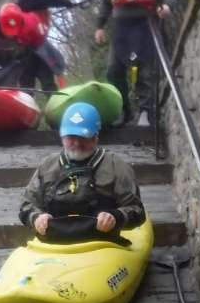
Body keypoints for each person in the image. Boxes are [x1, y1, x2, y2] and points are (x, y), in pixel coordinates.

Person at [18, 102, 145, 237]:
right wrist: (36, 218)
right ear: (62, 137)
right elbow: (27, 205)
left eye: (83, 137)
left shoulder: (116, 166)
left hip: (101, 241)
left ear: (96, 137)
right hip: (55, 240)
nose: (77, 143)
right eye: (71, 137)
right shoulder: (47, 165)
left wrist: (115, 217)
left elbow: (137, 210)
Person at [94, 0, 180, 128]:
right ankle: (123, 110)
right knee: (113, 70)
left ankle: (145, 112)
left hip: (146, 27)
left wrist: (166, 7)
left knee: (145, 72)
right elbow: (105, 3)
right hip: (121, 31)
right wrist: (100, 26)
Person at [15, 0, 77, 90]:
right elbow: (48, 0)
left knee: (28, 88)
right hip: (36, 49)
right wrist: (67, 3)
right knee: (47, 84)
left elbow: (44, 1)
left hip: (24, 52)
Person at [0, 2, 47, 92]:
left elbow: (41, 37)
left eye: (12, 31)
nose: (9, 35)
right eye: (7, 31)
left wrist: (32, 53)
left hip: (15, 57)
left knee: (12, 85)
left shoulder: (31, 22)